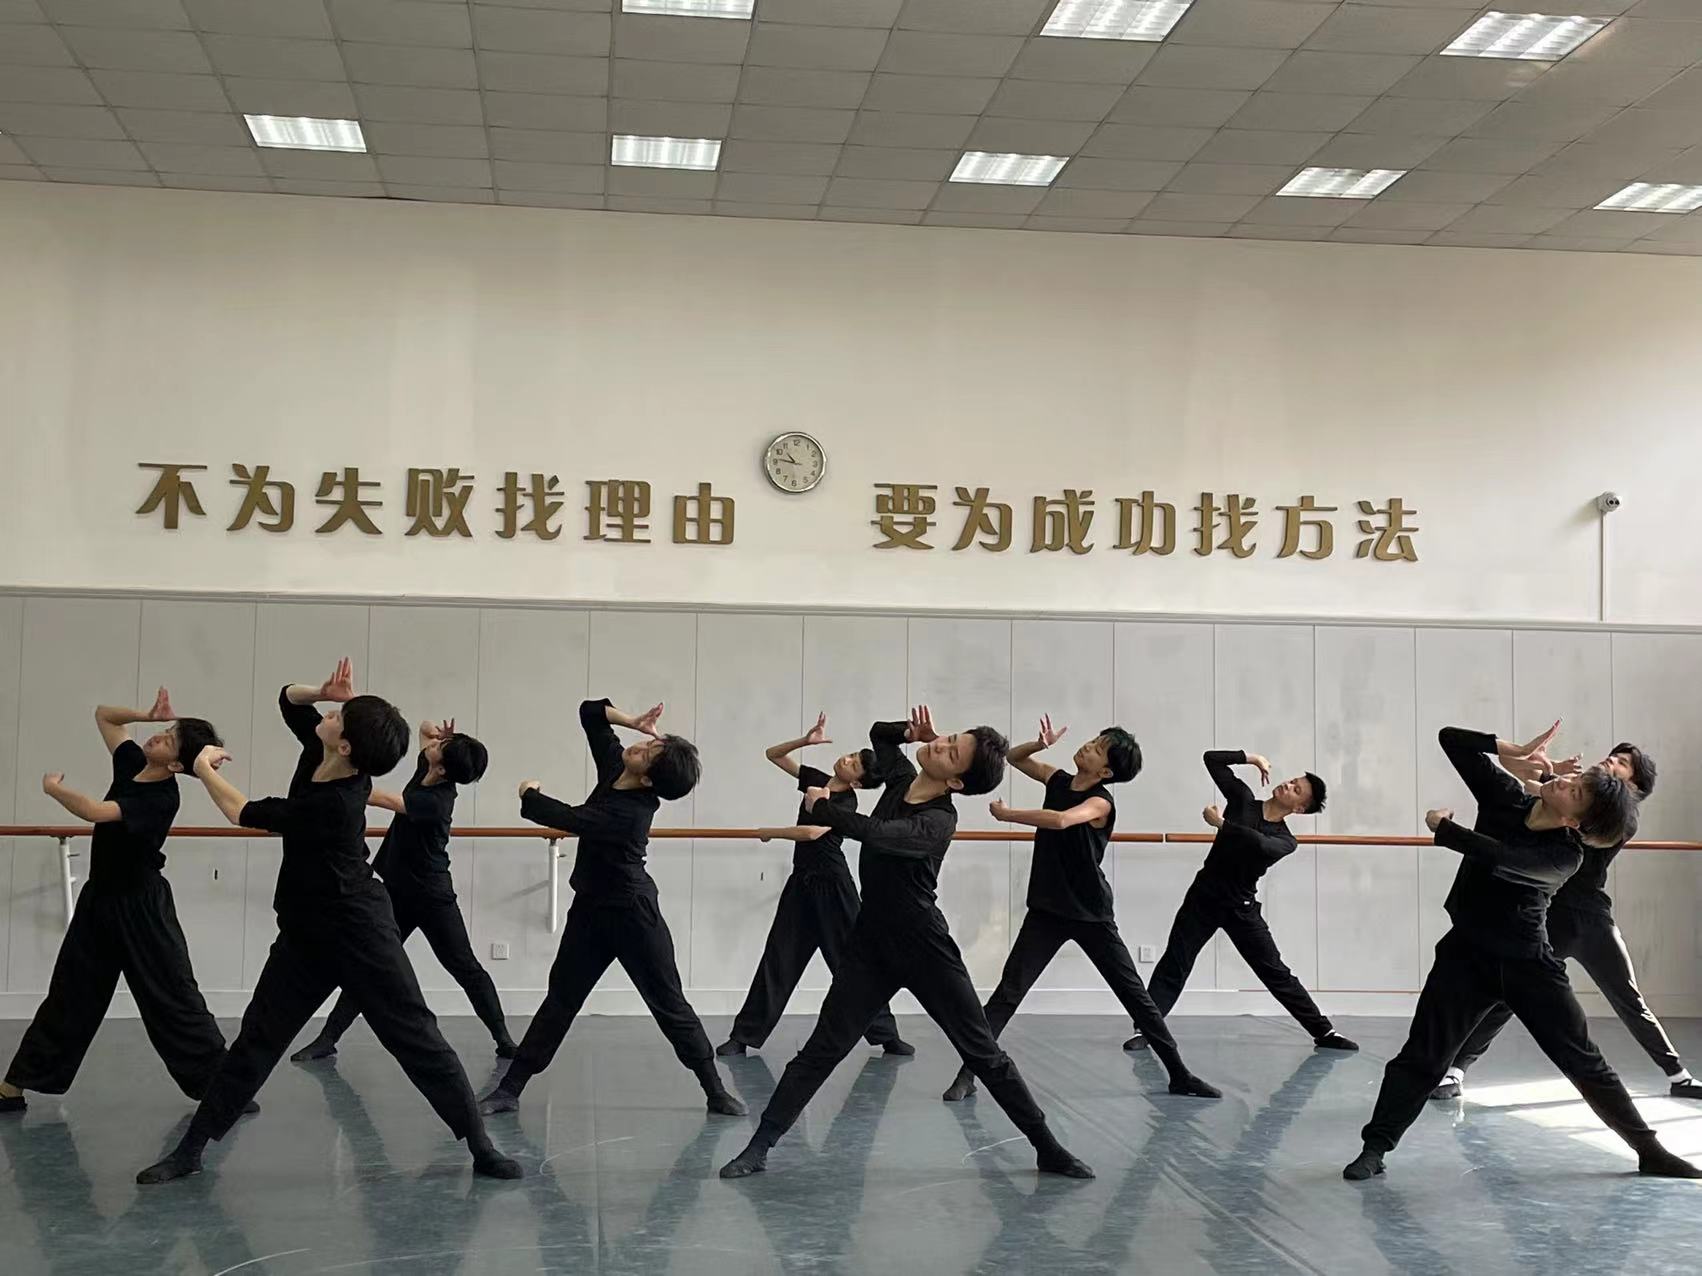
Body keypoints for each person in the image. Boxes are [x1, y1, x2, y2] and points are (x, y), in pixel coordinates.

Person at [136, 659, 521, 1184]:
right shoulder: (321, 752)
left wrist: (202, 768)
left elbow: (241, 812)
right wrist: (320, 690)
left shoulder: (337, 803)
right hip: (304, 934)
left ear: (345, 747)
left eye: (338, 716)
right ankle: (191, 1150)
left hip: (360, 930)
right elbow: (287, 700)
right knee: (256, 1040)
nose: (329, 715)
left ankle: (481, 1147)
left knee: (416, 1037)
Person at [720, 707, 1094, 1181]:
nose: (940, 744)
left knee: (983, 1053)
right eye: (949, 737)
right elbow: (879, 734)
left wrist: (820, 806)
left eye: (951, 752)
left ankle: (1048, 1148)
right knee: (822, 1049)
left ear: (956, 782)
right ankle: (759, 1147)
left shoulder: (939, 819)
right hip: (870, 944)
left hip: (925, 949)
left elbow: (877, 834)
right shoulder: (899, 778)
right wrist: (909, 732)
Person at [1343, 723, 1698, 1181]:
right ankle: (1375, 1148)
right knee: (1423, 1055)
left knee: (1582, 1059)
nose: (1566, 781)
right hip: (1465, 953)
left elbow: (1504, 859)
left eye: (1576, 791)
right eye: (1575, 779)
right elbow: (1451, 739)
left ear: (1575, 821)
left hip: (1527, 963)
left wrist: (1444, 829)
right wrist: (1508, 747)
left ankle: (1650, 1151)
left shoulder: (1565, 855)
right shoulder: (1505, 797)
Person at [477, 697, 743, 1117]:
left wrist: (529, 792)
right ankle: (509, 1090)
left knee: (669, 1003)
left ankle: (715, 1090)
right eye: (649, 743)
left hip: (633, 915)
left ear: (649, 780)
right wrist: (634, 721)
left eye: (649, 753)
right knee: (561, 999)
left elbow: (565, 817)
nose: (640, 746)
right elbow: (590, 713)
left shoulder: (632, 813)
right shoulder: (619, 770)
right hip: (590, 911)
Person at [942, 716, 1218, 1103]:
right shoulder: (1057, 780)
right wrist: (1038, 745)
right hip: (1047, 910)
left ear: (1105, 772)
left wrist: (1009, 816)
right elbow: (1015, 758)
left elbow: (1061, 820)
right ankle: (968, 1075)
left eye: (1098, 749)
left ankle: (1180, 1074)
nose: (1087, 746)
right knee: (1008, 993)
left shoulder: (1101, 802)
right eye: (1092, 741)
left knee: (1135, 996)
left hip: (1091, 915)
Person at [1432, 742, 1702, 1101]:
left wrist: (1546, 781)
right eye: (1614, 755)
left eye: (1623, 763)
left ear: (1634, 786)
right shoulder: (1576, 794)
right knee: (1508, 996)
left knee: (1627, 997)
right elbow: (1537, 796)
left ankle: (1679, 1076)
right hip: (1553, 916)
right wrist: (1545, 774)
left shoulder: (1620, 819)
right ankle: (1456, 1071)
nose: (1612, 759)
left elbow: (1573, 821)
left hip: (1591, 919)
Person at [2, 690, 231, 1114]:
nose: (159, 736)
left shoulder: (162, 798)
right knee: (71, 993)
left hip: (141, 907)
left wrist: (54, 790)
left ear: (176, 765)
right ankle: (14, 1086)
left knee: (173, 996)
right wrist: (146, 714)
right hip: (101, 901)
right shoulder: (132, 764)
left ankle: (224, 1087)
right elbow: (105, 716)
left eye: (169, 739)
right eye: (165, 730)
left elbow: (94, 811)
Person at [291, 717, 517, 1063]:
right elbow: (425, 730)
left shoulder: (437, 801)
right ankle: (328, 1038)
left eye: (440, 748)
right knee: (370, 964)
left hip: (431, 897)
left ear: (442, 770)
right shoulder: (429, 767)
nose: (433, 746)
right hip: (395, 891)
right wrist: (436, 734)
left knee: (464, 966)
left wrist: (341, 771)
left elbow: (381, 798)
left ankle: (504, 1040)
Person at [1125, 749, 1357, 1054]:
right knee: (1176, 961)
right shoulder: (1242, 800)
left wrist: (1223, 825)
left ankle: (1324, 1031)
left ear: (1299, 809)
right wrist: (1251, 758)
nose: (1288, 785)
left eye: (1296, 789)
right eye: (1291, 781)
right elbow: (1211, 759)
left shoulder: (1286, 841)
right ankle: (1147, 1029)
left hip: (1241, 908)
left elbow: (1259, 845)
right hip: (1204, 898)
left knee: (1275, 971)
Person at [717, 713, 912, 1059]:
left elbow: (811, 832)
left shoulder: (846, 803)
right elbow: (773, 755)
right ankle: (743, 1036)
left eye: (854, 764)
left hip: (833, 887)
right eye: (851, 755)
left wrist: (771, 832)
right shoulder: (817, 779)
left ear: (858, 783)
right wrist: (805, 741)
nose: (847, 759)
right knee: (779, 957)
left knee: (853, 963)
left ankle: (886, 1035)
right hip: (802, 884)